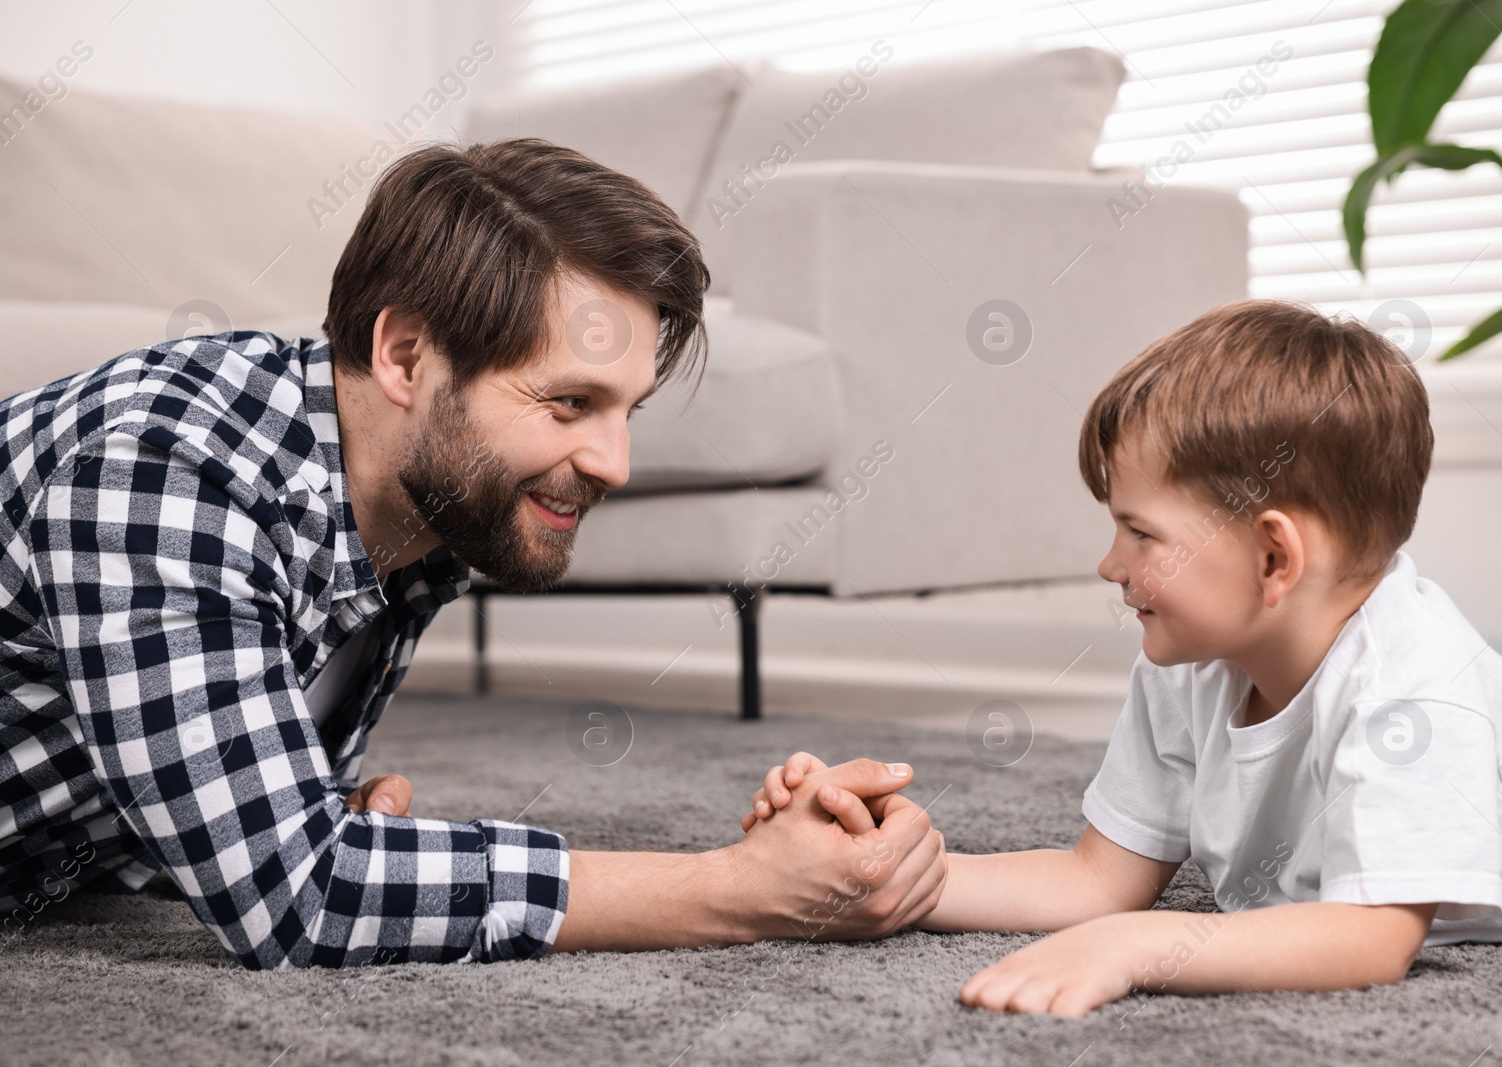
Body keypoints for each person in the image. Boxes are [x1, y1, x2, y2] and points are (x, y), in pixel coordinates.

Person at [0, 138, 946, 967]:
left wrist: (312, 807)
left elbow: (237, 832)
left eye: (628, 412)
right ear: (407, 355)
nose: (614, 465)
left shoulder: (426, 510)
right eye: (569, 403)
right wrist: (740, 886)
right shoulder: (163, 471)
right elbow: (298, 898)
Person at [745, 299, 1502, 1017]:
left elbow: (1370, 937)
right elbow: (1095, 880)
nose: (1108, 564)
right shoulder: (1184, 660)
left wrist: (1141, 946)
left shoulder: (1418, 693)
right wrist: (881, 871)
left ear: (1274, 559)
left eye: (1140, 532)